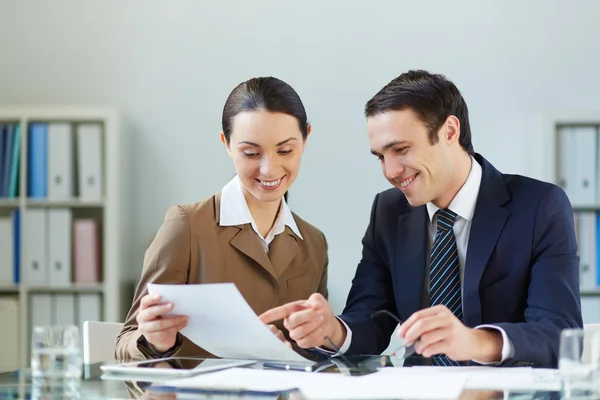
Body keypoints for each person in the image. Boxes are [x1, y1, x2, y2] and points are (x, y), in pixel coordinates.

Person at [260, 70, 583, 368]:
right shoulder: (389, 212)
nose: (390, 171)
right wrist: (333, 330)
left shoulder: (539, 206)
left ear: (449, 131)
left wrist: (475, 342)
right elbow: (370, 318)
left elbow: (559, 333)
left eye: (400, 149)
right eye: (380, 157)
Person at [116, 76, 329, 361]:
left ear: (305, 139)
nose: (269, 169)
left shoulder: (313, 243)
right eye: (251, 152)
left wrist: (298, 350)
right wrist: (155, 342)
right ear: (226, 144)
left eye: (285, 150)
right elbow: (126, 342)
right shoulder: (187, 227)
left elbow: (316, 354)